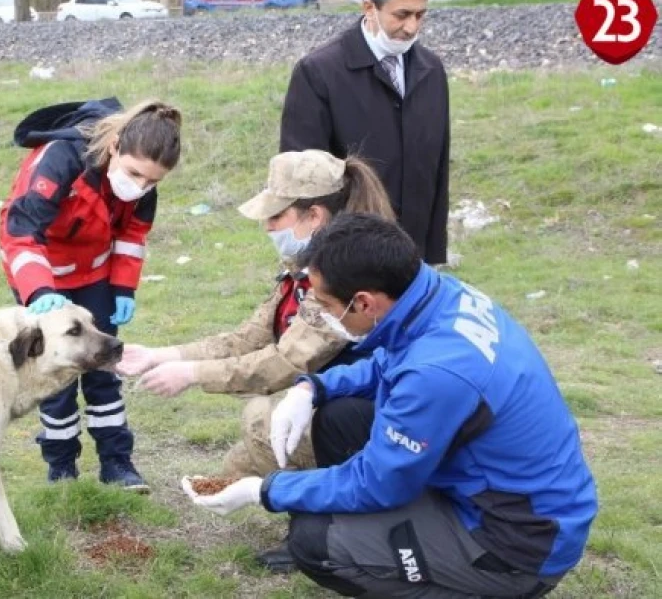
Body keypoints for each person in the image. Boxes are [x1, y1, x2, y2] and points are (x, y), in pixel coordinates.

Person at [182, 213, 598, 598]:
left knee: (315, 540)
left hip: (514, 540)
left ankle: (486, 584)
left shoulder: (437, 373)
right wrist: (313, 388)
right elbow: (386, 363)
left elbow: (377, 483)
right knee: (339, 418)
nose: (321, 314)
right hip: (502, 491)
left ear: (363, 302)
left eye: (326, 305)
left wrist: (266, 489)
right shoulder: (437, 295)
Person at [117, 148, 395, 571]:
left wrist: (190, 374)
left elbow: (281, 364)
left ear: (314, 216)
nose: (266, 227)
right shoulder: (304, 266)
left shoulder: (342, 277)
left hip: (373, 415)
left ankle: (325, 529)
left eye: (276, 217)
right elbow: (249, 337)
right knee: (239, 463)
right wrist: (163, 355)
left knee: (261, 419)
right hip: (343, 402)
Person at [0, 96, 182, 494]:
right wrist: (39, 291)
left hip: (95, 274)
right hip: (42, 274)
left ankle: (117, 462)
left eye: (152, 182)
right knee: (56, 371)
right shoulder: (58, 160)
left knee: (104, 365)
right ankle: (61, 466)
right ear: (114, 145)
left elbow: (132, 236)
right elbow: (20, 233)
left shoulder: (141, 180)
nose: (141, 187)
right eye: (135, 174)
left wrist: (122, 287)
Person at [279, 0, 450, 266]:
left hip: (413, 252)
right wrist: (315, 262)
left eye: (420, 15)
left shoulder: (430, 71)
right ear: (369, 8)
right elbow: (301, 177)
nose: (412, 27)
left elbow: (437, 167)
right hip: (348, 258)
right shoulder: (319, 73)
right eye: (402, 15)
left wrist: (431, 254)